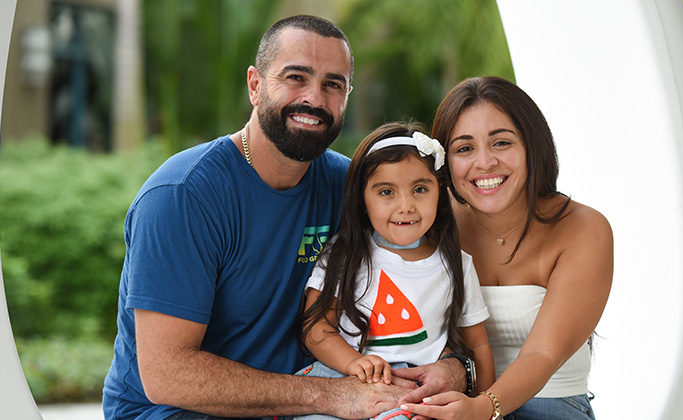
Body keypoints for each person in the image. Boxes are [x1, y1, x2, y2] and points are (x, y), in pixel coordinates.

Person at [102, 15, 466, 420]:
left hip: (297, 402)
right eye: (296, 77)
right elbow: (167, 374)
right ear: (255, 85)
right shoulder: (183, 196)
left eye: (333, 84)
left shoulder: (351, 187)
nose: (314, 97)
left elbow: (427, 274)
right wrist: (331, 396)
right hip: (174, 412)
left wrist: (454, 366)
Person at [401, 76, 614, 420]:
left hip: (552, 405)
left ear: (533, 146)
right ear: (445, 161)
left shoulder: (583, 229)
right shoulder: (431, 221)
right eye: (464, 148)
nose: (484, 162)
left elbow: (543, 354)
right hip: (451, 402)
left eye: (501, 143)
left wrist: (482, 408)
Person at [292, 122, 495, 420]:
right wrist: (353, 363)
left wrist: (487, 409)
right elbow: (316, 329)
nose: (405, 206)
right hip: (344, 379)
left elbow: (478, 344)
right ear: (362, 200)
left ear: (440, 193)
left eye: (420, 189)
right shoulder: (344, 254)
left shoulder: (457, 264)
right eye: (386, 191)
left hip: (416, 393)